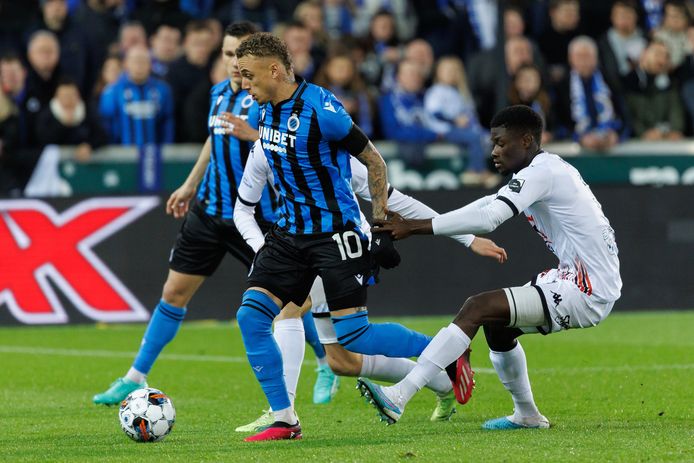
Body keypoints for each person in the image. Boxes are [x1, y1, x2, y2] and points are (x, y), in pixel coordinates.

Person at [233, 31, 448, 442]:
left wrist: (381, 226)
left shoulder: (321, 108)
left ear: (274, 69)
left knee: (354, 338)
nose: (245, 84)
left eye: (249, 75)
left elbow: (375, 163)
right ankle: (285, 418)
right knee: (251, 316)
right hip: (289, 236)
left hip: (336, 235)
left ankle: (445, 348)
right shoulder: (264, 113)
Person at [358, 105, 621, 430]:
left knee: (477, 307)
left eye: (500, 143)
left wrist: (416, 227)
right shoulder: (541, 169)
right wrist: (421, 224)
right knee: (498, 327)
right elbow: (485, 204)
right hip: (577, 278)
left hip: (587, 288)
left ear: (525, 141)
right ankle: (526, 415)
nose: (494, 151)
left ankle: (399, 396)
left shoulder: (542, 173)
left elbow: (490, 218)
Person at [231, 139, 508, 432]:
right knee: (341, 361)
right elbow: (242, 210)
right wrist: (267, 255)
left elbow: (393, 199)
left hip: (342, 248)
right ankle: (443, 375)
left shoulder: (325, 148)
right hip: (296, 249)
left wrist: (467, 237)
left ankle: (282, 411)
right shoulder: (266, 148)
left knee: (288, 312)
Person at [92, 22, 277, 406]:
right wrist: (191, 182)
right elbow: (214, 139)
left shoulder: (269, 101)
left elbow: (288, 148)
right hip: (209, 211)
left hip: (254, 215)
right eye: (227, 54)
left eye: (240, 54)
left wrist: (255, 136)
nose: (233, 62)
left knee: (290, 302)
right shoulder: (217, 94)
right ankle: (134, 376)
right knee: (173, 292)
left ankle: (328, 362)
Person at [98, 45, 174, 146]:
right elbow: (106, 125)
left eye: (143, 61)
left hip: (155, 157)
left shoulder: (163, 90)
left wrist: (166, 148)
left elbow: (167, 123)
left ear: (150, 64)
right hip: (119, 156)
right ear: (126, 64)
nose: (139, 65)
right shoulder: (112, 91)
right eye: (135, 61)